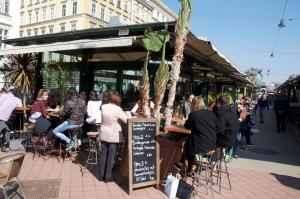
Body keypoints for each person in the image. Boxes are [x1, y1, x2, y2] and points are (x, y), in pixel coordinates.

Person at [176, 96, 219, 173]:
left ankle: (182, 163)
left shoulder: (194, 114)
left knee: (190, 142)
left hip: (200, 146)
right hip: (212, 145)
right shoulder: (212, 114)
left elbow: (187, 127)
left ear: (193, 105)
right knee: (192, 141)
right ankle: (187, 169)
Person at [99, 90, 128, 182]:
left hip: (103, 133)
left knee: (103, 155)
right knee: (111, 156)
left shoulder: (103, 107)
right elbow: (126, 120)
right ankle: (108, 177)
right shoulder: (117, 109)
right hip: (113, 135)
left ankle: (101, 176)